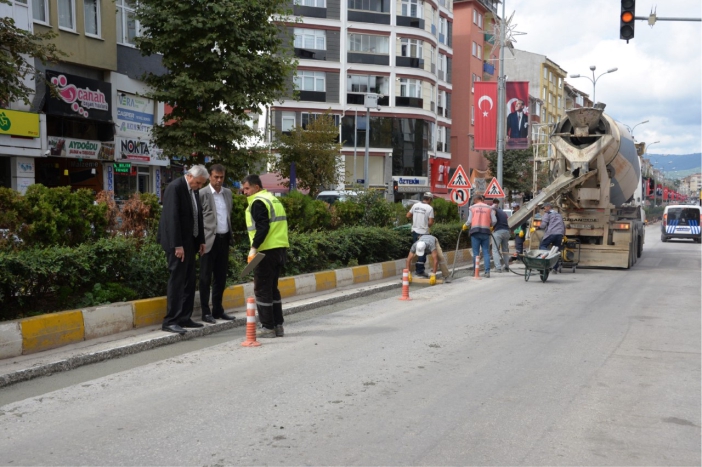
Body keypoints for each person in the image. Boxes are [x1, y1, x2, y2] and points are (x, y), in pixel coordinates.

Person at [157, 165, 208, 334]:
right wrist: (177, 245)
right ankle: (171, 320)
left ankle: (184, 317)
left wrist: (200, 240)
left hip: (190, 243)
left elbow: (197, 215)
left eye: (201, 184)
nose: (199, 186)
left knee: (189, 281)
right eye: (198, 183)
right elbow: (172, 218)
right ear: (189, 176)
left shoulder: (193, 190)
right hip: (177, 243)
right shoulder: (175, 188)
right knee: (177, 281)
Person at [242, 174, 289, 339]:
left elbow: (263, 227)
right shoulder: (273, 199)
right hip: (279, 248)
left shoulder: (258, 202)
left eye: (247, 188)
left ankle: (267, 327)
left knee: (262, 289)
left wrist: (253, 248)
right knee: (272, 289)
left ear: (256, 187)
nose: (245, 192)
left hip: (265, 251)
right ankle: (278, 325)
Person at [199, 164, 235, 324]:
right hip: (207, 242)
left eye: (222, 177)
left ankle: (218, 309)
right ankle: (205, 312)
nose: (219, 180)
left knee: (220, 277)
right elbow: (197, 220)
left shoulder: (227, 193)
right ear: (209, 177)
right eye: (216, 177)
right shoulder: (202, 193)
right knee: (205, 278)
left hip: (224, 239)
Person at [463, 194, 496, 277]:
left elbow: (469, 221)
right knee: (486, 252)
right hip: (485, 232)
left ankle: (475, 271)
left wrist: (465, 226)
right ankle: (487, 272)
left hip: (475, 232)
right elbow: (494, 220)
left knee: (476, 253)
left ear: (475, 200)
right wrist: (491, 226)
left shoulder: (472, 207)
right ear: (482, 199)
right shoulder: (489, 208)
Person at [406, 193, 435, 277]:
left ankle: (413, 270)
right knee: (422, 252)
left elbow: (408, 215)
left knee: (415, 250)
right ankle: (419, 271)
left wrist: (416, 218)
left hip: (414, 232)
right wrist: (425, 225)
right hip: (423, 233)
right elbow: (430, 222)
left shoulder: (415, 205)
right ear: (429, 199)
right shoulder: (429, 208)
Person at [538, 202, 565, 271]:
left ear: (548, 207)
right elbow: (563, 225)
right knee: (556, 250)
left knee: (542, 246)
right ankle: (555, 268)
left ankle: (548, 254)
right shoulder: (559, 215)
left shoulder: (547, 214)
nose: (544, 209)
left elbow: (543, 225)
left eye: (544, 208)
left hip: (551, 233)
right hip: (560, 234)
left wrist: (538, 227)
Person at [491, 199, 510, 273]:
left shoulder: (494, 210)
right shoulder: (503, 212)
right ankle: (507, 267)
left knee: (495, 250)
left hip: (498, 231)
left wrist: (491, 226)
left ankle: (498, 268)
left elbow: (493, 220)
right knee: (505, 250)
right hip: (506, 231)